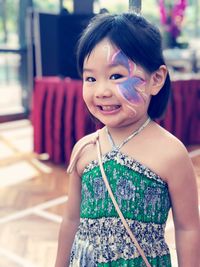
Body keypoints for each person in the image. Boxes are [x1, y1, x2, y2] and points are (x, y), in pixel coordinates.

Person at [54, 13, 200, 267]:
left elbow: (188, 229)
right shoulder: (86, 149)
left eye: (116, 76)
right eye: (90, 78)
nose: (102, 91)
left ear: (156, 79)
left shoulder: (171, 153)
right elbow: (71, 220)